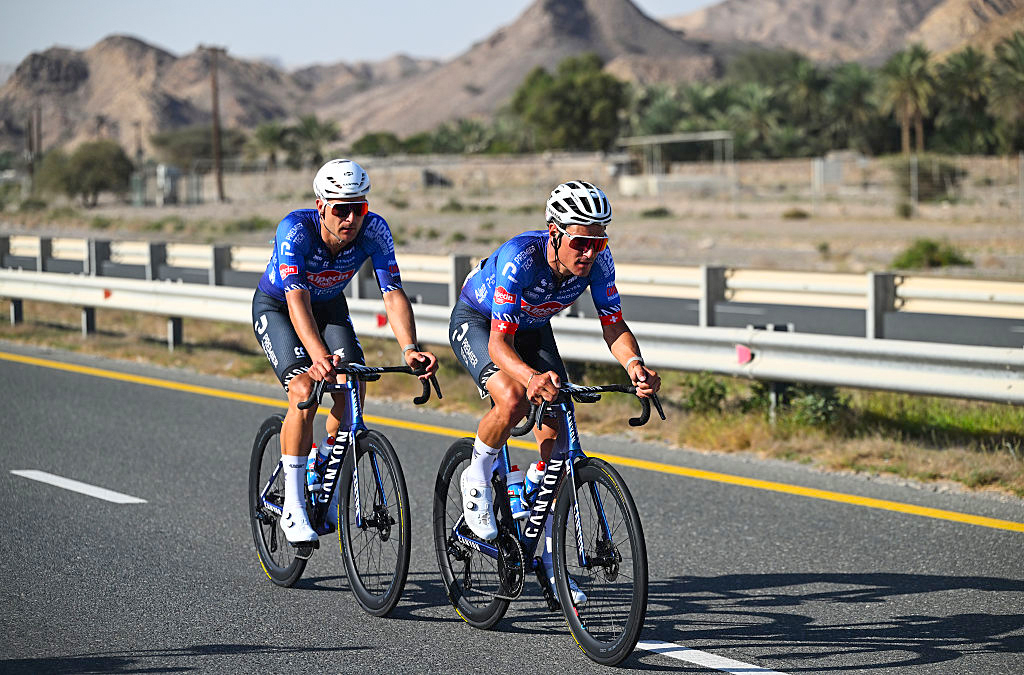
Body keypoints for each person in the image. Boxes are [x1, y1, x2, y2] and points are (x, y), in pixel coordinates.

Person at [449, 179, 660, 603]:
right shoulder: (520, 259)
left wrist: (635, 364)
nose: (589, 253)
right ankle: (476, 478)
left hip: (531, 327)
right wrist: (530, 379)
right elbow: (497, 345)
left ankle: (544, 556)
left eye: (598, 243)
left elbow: (612, 323)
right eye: (580, 242)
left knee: (559, 436)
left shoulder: (599, 262)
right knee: (512, 398)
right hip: (480, 322)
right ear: (555, 233)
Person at [252, 158, 438, 547]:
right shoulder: (295, 230)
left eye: (360, 208)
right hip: (281, 307)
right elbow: (297, 302)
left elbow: (393, 293)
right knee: (303, 390)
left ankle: (326, 464)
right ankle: (293, 502)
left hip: (330, 306)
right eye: (341, 209)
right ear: (321, 206)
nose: (351, 218)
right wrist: (317, 356)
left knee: (354, 382)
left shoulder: (375, 230)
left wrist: (409, 349)